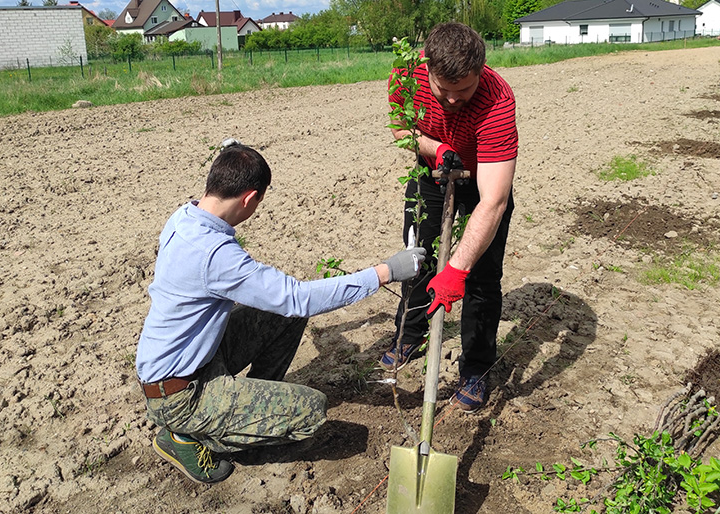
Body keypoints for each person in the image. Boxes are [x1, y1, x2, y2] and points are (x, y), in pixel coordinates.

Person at [136, 141, 425, 484]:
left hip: (190, 361)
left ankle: (251, 403)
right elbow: (297, 297)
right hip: (181, 395)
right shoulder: (214, 254)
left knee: (282, 316)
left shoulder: (186, 216)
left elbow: (286, 305)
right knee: (311, 412)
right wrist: (384, 272)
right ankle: (185, 438)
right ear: (249, 199)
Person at [380, 22, 518, 413]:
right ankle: (409, 336)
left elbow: (494, 200)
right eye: (445, 90)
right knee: (417, 260)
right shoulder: (406, 74)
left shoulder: (497, 99)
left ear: (481, 72)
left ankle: (475, 367)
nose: (455, 99)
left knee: (481, 276)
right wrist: (436, 148)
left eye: (465, 89)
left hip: (481, 179)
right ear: (427, 69)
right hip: (430, 173)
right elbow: (400, 127)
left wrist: (457, 268)